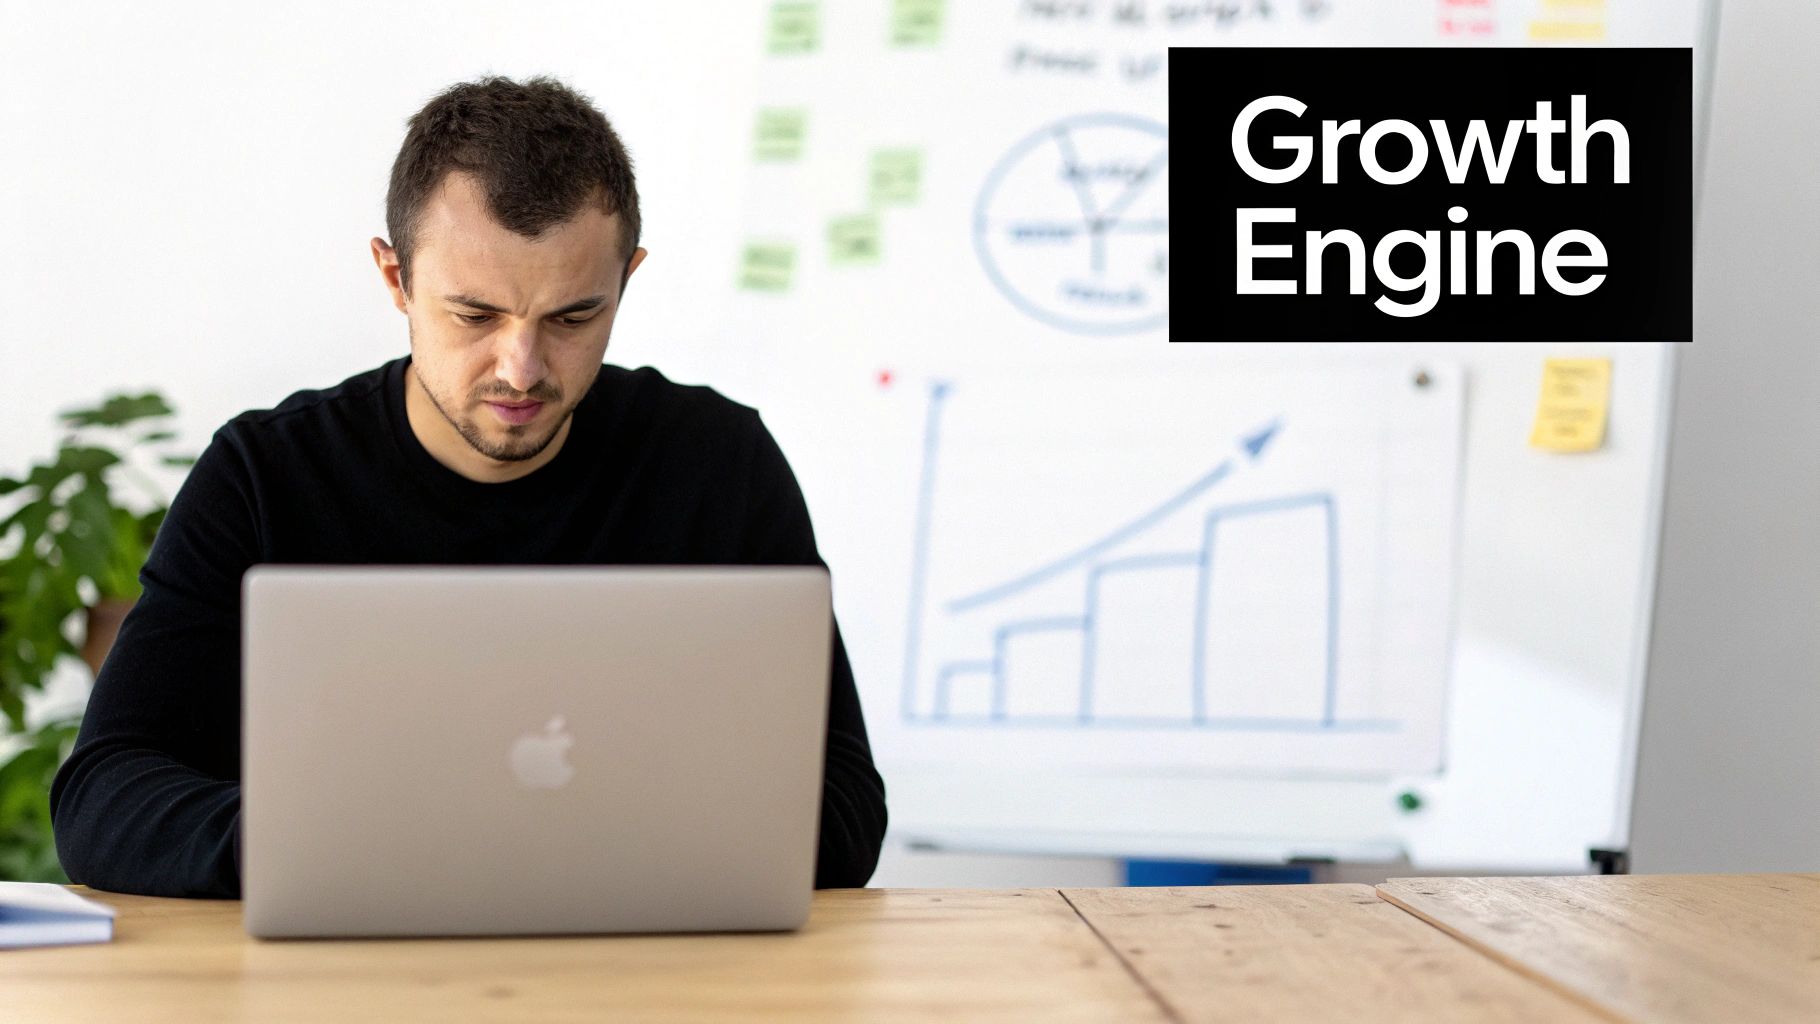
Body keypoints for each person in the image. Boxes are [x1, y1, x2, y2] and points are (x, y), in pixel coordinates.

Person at [49, 75, 888, 897]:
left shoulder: (719, 465)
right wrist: (321, 846)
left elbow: (845, 810)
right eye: (475, 315)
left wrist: (530, 843)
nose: (520, 370)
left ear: (626, 279)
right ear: (395, 279)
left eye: (571, 318)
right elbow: (102, 799)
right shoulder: (265, 477)